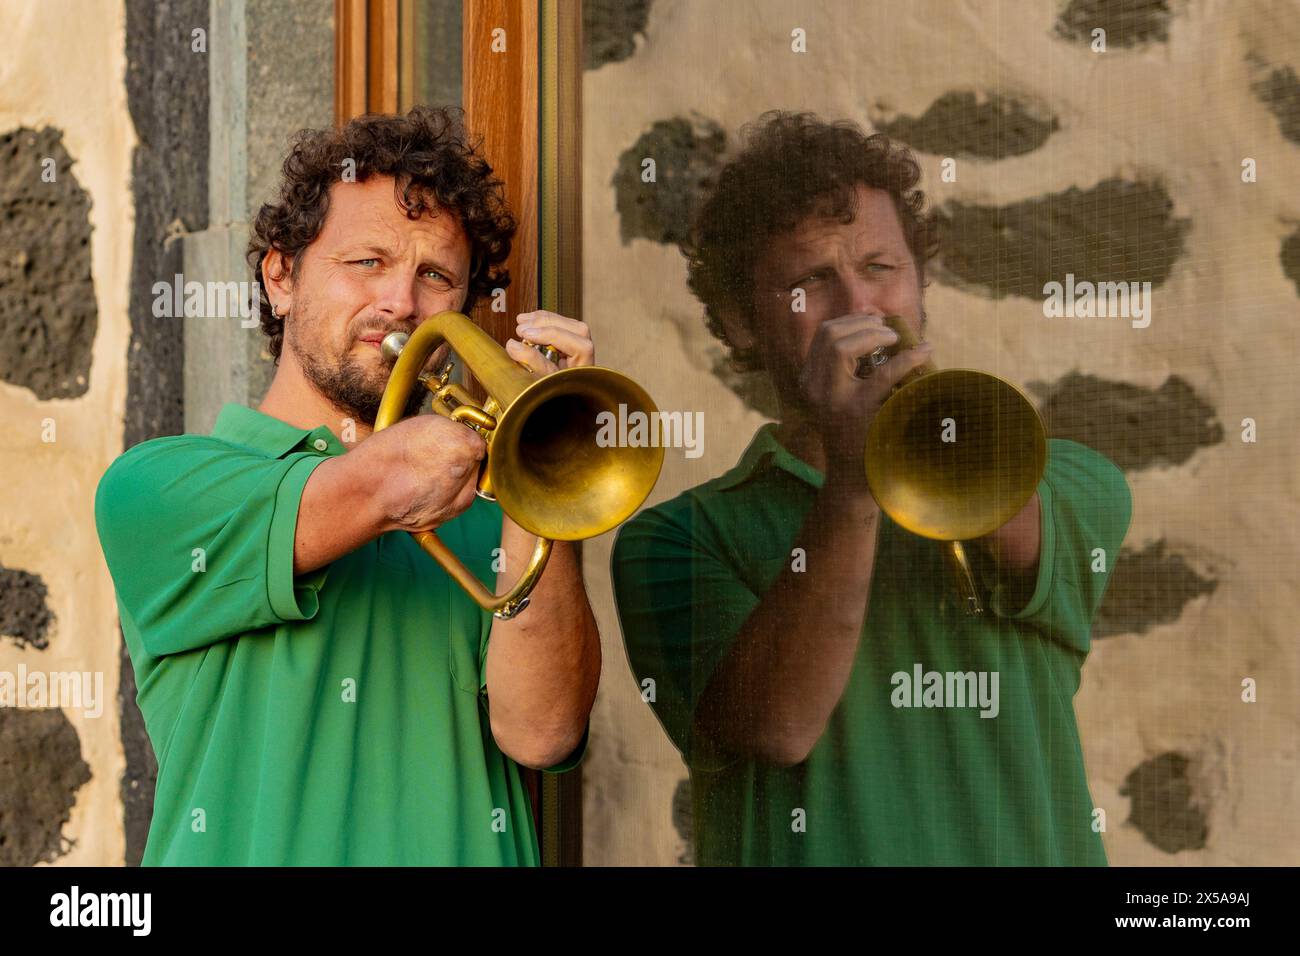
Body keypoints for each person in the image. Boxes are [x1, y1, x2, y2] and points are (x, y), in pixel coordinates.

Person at [611, 111, 1132, 866]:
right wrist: (854, 482)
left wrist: (906, 441)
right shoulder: (675, 541)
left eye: (881, 269)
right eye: (810, 281)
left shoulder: (1053, 475)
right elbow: (778, 728)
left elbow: (1016, 529)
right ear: (739, 322)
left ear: (921, 283)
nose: (859, 306)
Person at [95, 106, 600, 865]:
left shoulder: (501, 512)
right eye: (367, 262)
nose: (401, 302)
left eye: (436, 277)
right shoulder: (156, 486)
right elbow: (375, 484)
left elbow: (544, 730)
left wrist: (545, 459)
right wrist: (453, 452)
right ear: (280, 277)